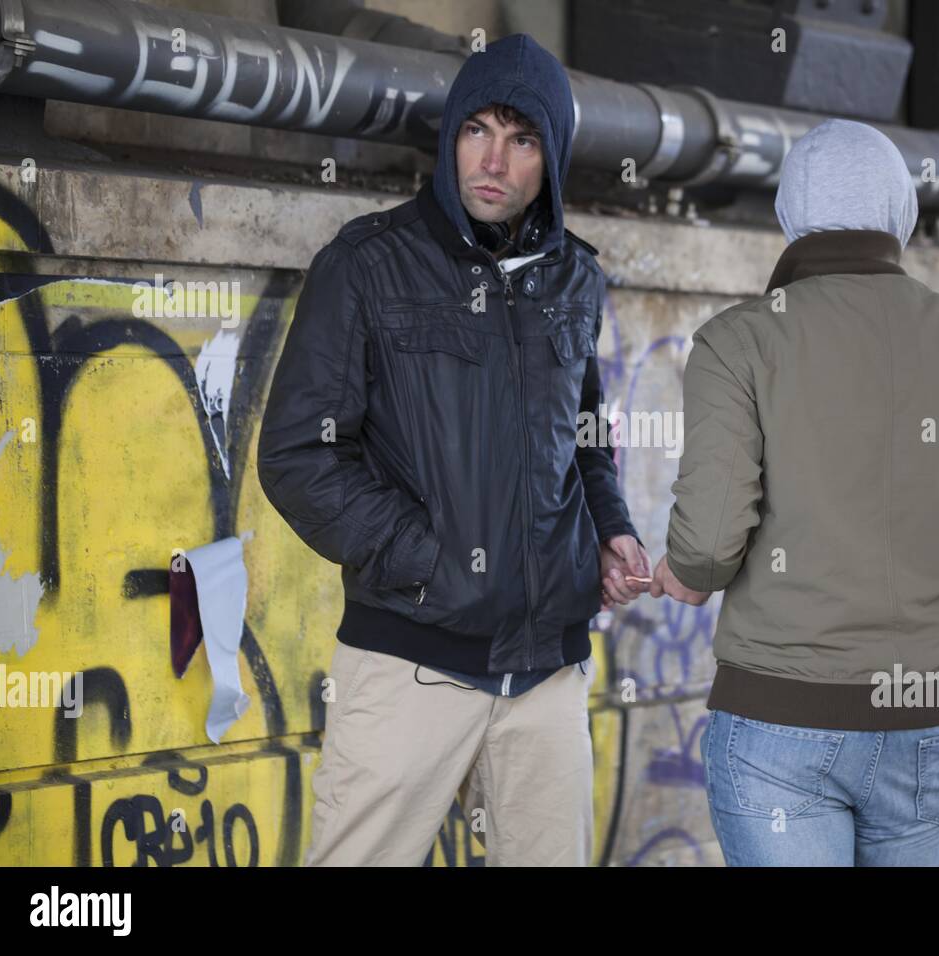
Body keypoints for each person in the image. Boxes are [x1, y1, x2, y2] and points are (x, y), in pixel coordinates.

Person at [257, 34, 651, 867]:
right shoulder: (367, 264)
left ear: (555, 158)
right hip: (412, 663)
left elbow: (583, 440)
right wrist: (430, 560)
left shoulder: (576, 277)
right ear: (449, 139)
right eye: (476, 130)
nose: (494, 161)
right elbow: (299, 454)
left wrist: (608, 531)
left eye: (522, 138)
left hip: (547, 672)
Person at [651, 119, 939, 866]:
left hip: (777, 725)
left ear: (787, 220)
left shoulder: (738, 340)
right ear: (902, 214)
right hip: (919, 728)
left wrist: (686, 575)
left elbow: (707, 545)